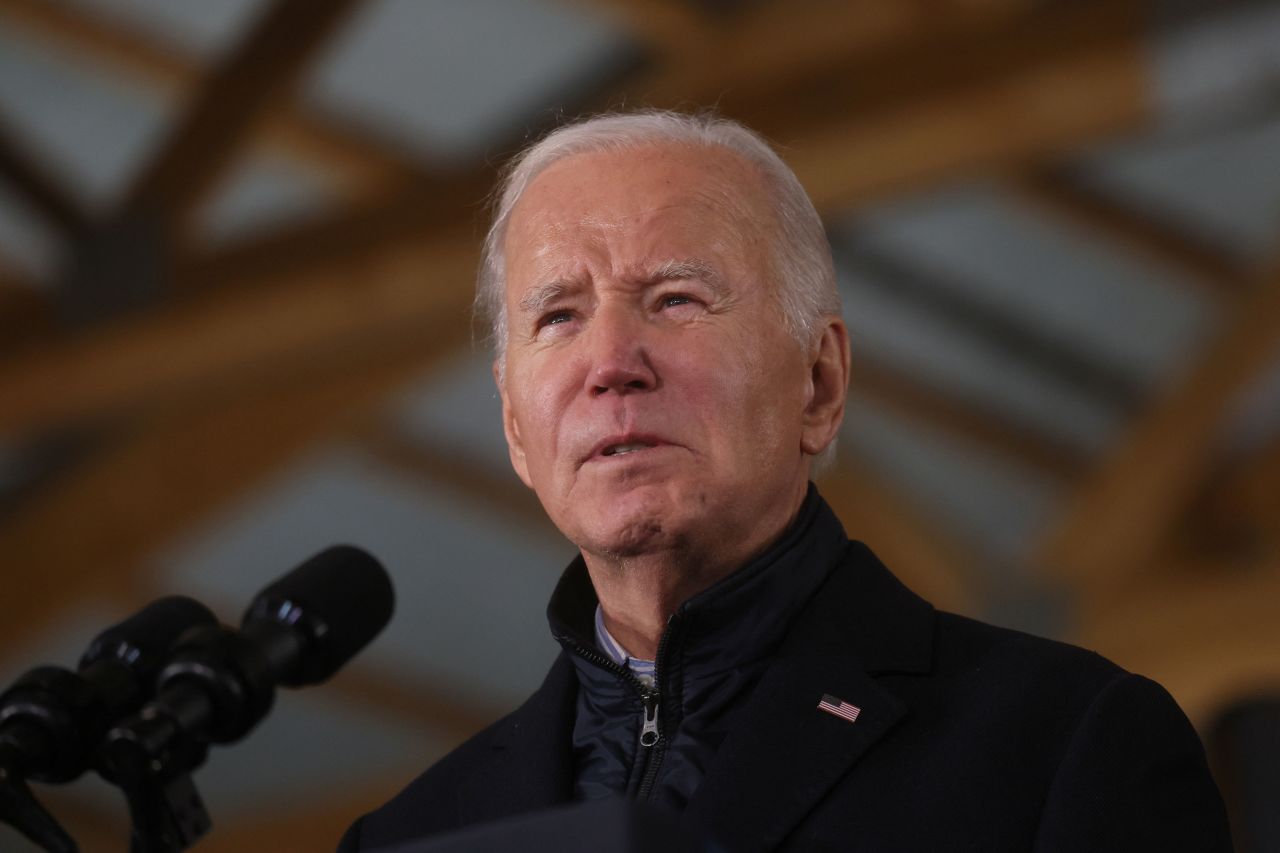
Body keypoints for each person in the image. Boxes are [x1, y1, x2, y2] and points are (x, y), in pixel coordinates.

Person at [338, 111, 1232, 852]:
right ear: (514, 427)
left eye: (676, 298)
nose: (610, 361)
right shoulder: (410, 835)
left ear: (820, 382)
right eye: (559, 315)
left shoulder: (1061, 745)